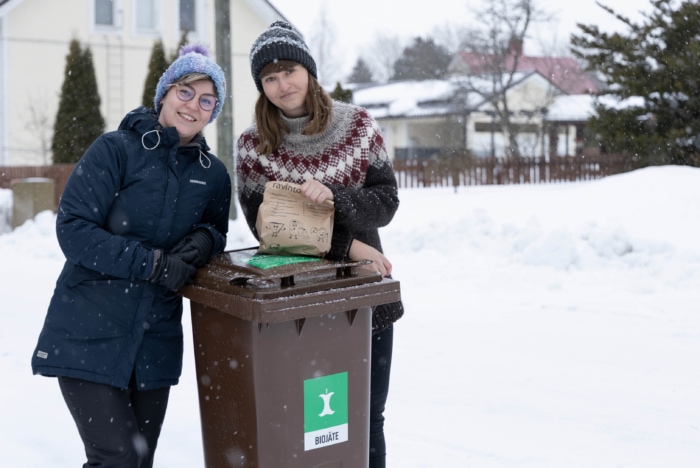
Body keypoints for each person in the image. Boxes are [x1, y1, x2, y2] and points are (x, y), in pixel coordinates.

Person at [31, 44, 231, 467]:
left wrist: (202, 243)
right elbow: (74, 230)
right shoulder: (115, 150)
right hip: (88, 330)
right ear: (164, 94)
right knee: (116, 457)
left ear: (213, 113)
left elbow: (216, 230)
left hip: (154, 340)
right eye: (185, 91)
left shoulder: (212, 174)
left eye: (206, 100)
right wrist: (154, 264)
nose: (193, 105)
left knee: (138, 460)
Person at [236, 21, 404, 468]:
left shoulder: (358, 126)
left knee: (368, 420)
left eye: (288, 71)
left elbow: (386, 202)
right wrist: (351, 247)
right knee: (306, 427)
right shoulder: (253, 145)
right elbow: (266, 230)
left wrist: (337, 198)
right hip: (294, 306)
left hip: (364, 299)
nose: (281, 84)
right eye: (269, 78)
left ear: (308, 71)